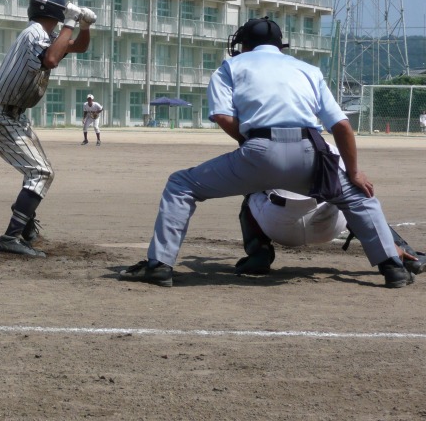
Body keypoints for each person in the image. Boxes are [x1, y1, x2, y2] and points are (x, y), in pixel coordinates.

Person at [118, 16, 411, 288]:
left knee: (181, 185)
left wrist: (250, 145)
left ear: (243, 45)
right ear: (280, 46)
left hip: (259, 149)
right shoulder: (308, 70)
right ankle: (392, 266)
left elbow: (222, 115)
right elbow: (342, 126)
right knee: (359, 197)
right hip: (310, 151)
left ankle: (160, 265)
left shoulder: (231, 66)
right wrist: (355, 172)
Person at [0, 0, 96, 257]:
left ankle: (26, 224)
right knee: (40, 172)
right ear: (56, 10)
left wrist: (85, 26)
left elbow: (76, 46)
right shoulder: (34, 34)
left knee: (37, 171)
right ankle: (11, 237)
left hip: (13, 115)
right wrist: (70, 21)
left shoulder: (47, 34)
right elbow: (52, 59)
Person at [236, 187, 426, 280]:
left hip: (278, 226)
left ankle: (259, 254)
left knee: (250, 192)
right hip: (328, 225)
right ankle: (395, 262)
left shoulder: (259, 149)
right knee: (355, 202)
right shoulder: (328, 149)